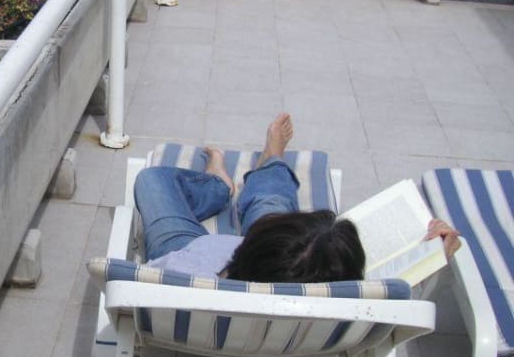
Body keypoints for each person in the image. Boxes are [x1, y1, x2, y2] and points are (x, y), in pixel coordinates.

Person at [135, 113, 460, 282]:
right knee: (273, 212)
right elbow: (395, 295)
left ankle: (219, 185)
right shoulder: (347, 296)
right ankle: (271, 158)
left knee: (152, 179)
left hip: (198, 252)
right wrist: (434, 256)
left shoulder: (181, 273)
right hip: (267, 264)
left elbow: (143, 275)